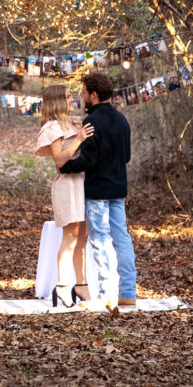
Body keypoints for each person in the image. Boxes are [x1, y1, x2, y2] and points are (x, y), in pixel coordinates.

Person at [58, 72, 136, 308]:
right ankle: (128, 293)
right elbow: (126, 156)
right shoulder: (122, 120)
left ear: (94, 94)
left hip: (98, 191)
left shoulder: (92, 122)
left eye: (84, 93)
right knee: (122, 239)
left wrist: (64, 166)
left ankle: (105, 294)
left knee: (99, 240)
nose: (82, 97)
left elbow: (87, 161)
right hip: (118, 189)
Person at [35, 84, 95, 308]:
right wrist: (79, 139)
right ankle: (62, 285)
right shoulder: (52, 127)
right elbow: (60, 160)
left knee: (82, 237)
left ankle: (82, 285)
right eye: (68, 97)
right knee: (70, 237)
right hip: (67, 184)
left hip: (82, 182)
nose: (73, 100)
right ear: (58, 101)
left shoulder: (70, 123)